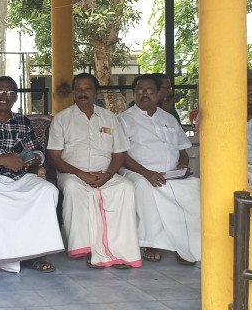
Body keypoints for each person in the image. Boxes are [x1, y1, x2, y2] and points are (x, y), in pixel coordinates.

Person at [0, 76, 63, 275]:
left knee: (47, 190)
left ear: (15, 98)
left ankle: (36, 254)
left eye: (9, 93)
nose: (4, 96)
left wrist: (33, 158)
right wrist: (2, 160)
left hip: (20, 176)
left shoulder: (22, 121)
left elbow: (38, 151)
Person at [47, 73, 141, 269]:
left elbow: (119, 155)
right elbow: (54, 157)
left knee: (126, 187)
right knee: (74, 188)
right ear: (73, 92)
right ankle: (86, 247)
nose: (83, 93)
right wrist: (81, 174)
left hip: (105, 173)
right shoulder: (62, 119)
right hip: (72, 174)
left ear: (95, 92)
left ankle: (119, 249)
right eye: (78, 89)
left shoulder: (110, 118)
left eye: (87, 88)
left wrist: (107, 175)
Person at [119, 75, 200, 264]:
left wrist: (182, 165)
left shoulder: (169, 118)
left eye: (150, 90)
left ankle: (185, 246)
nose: (144, 94)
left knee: (195, 187)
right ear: (134, 93)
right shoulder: (124, 120)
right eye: (140, 90)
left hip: (171, 173)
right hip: (137, 171)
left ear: (158, 94)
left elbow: (183, 150)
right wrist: (147, 173)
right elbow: (121, 155)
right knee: (144, 187)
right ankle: (151, 243)